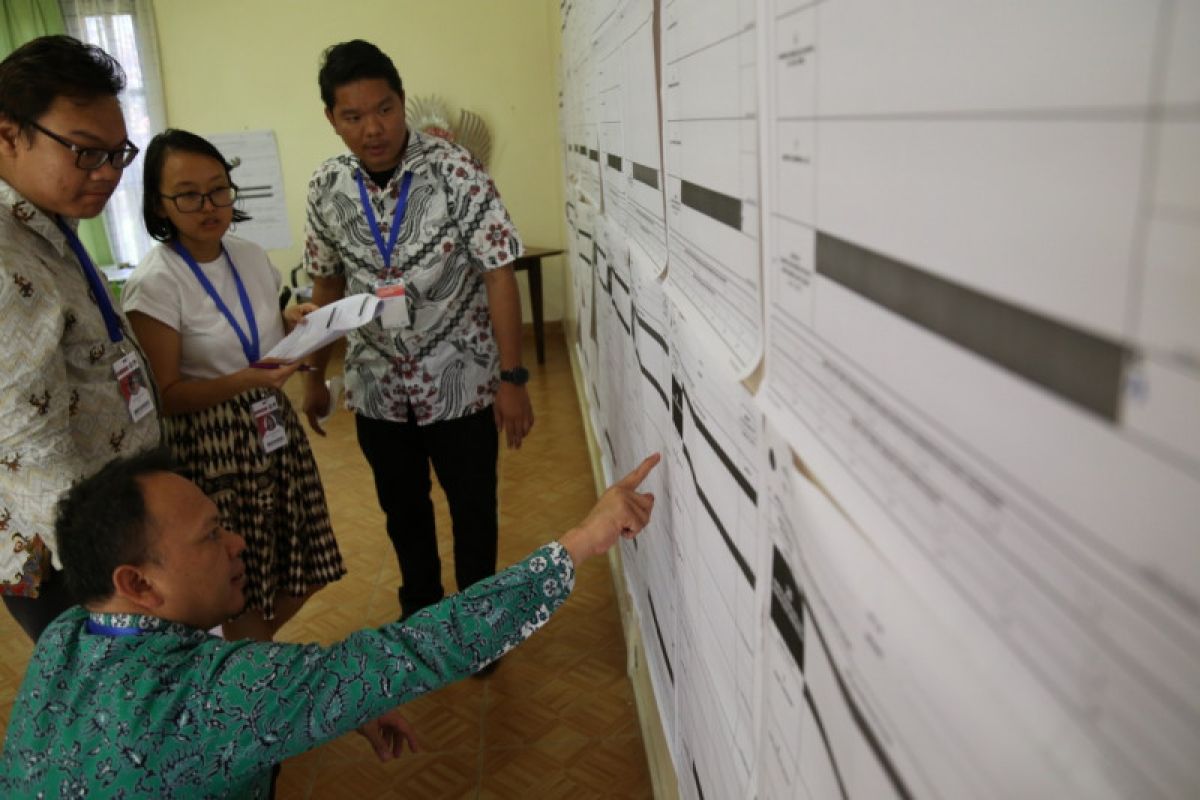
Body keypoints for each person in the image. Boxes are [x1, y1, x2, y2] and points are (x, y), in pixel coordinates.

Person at [0, 447, 659, 797]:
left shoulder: (68, 633)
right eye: (211, 537)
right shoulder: (205, 697)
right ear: (137, 583)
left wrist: (326, 699)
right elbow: (421, 649)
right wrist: (581, 540)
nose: (237, 545)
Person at [302, 39, 534, 622]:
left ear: (402, 103)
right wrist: (313, 375)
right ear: (332, 119)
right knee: (402, 510)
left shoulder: (457, 169)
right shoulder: (325, 189)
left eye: (383, 109)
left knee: (473, 506)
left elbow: (499, 273)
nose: (372, 128)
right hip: (377, 386)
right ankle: (424, 614)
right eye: (352, 116)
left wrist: (513, 377)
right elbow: (326, 288)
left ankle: (478, 624)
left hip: (462, 378)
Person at [122, 129, 345, 641]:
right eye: (188, 194)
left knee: (301, 561)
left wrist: (293, 320)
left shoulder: (247, 254)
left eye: (219, 189)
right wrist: (246, 380)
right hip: (212, 444)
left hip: (271, 426)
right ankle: (246, 670)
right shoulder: (155, 282)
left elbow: (258, 329)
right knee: (239, 577)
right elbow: (167, 396)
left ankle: (249, 649)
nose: (209, 205)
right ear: (159, 202)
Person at [0, 35, 160, 641]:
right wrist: (117, 573)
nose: (110, 174)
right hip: (72, 558)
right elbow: (32, 449)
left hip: (103, 528)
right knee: (118, 708)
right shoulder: (4, 258)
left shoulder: (46, 220)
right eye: (85, 152)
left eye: (119, 153)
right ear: (8, 133)